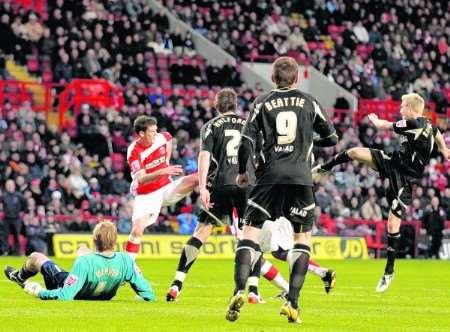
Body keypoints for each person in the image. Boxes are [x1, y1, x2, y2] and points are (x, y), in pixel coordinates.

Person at [227, 56, 338, 323]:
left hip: (269, 177)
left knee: (249, 236)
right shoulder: (309, 102)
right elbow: (332, 137)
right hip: (301, 178)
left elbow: (246, 141)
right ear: (297, 79)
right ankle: (293, 303)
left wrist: (243, 172)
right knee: (302, 241)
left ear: (273, 79)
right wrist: (306, 142)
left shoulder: (261, 102)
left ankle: (240, 290)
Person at [313, 93, 450, 292]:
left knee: (392, 224)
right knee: (354, 152)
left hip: (405, 178)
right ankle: (324, 168)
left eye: (403, 106)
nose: (400, 109)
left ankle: (389, 271)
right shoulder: (427, 124)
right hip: (393, 162)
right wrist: (444, 149)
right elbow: (437, 133)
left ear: (411, 109)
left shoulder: (413, 124)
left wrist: (376, 120)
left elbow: (384, 126)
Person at [166, 88, 255, 301]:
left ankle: (177, 283)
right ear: (235, 105)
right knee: (249, 236)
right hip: (245, 185)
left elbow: (204, 158)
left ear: (216, 106)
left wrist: (203, 186)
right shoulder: (249, 126)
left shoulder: (210, 126)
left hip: (220, 184)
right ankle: (249, 290)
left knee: (201, 232)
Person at [4, 221, 155, 301]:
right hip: (104, 294)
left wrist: (40, 292)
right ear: (115, 240)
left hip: (75, 289)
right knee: (82, 250)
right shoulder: (126, 260)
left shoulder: (84, 262)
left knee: (36, 257)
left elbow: (66, 295)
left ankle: (19, 276)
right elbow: (149, 294)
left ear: (95, 239)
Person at [125, 115, 198, 260]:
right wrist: (163, 170)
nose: (155, 134)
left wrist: (166, 162)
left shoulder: (163, 137)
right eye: (151, 131)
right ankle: (128, 265)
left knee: (197, 178)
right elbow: (141, 179)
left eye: (155, 130)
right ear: (141, 134)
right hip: (146, 194)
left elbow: (169, 139)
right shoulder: (134, 151)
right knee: (137, 231)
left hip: (167, 187)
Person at [1, 179, 28, 255]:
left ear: (14, 186)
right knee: (5, 236)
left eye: (11, 185)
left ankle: (17, 252)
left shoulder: (19, 195)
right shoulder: (4, 196)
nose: (9, 187)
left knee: (17, 235)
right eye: (8, 185)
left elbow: (25, 204)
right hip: (6, 219)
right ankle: (5, 251)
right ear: (6, 186)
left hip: (16, 219)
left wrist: (23, 212)